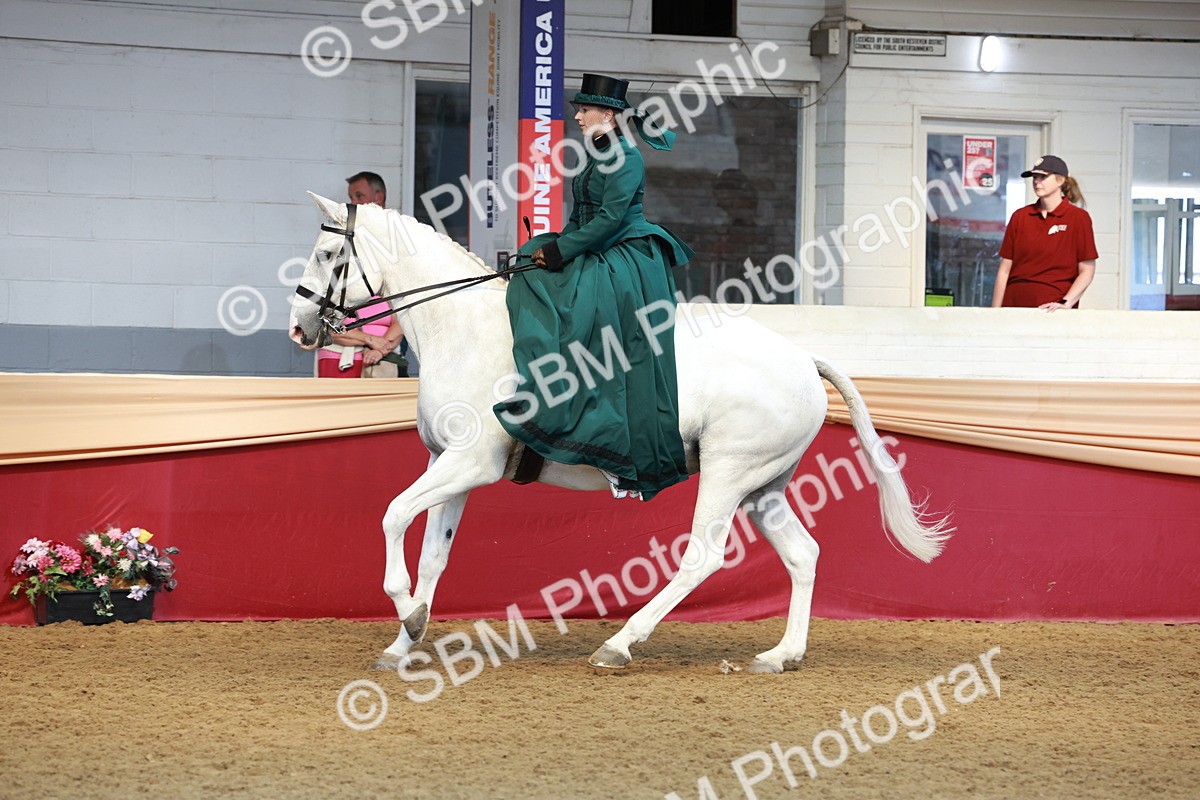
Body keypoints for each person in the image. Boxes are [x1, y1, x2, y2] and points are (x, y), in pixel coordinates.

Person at [492, 74, 693, 501]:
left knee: (586, 302)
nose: (579, 117)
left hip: (626, 254)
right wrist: (554, 246)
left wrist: (562, 251)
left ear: (609, 114)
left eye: (585, 110)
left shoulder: (626, 157)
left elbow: (609, 220)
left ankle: (600, 423)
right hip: (592, 241)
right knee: (530, 261)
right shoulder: (597, 152)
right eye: (579, 110)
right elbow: (585, 215)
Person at [315, 171, 405, 378]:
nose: (352, 203)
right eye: (350, 198)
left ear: (378, 198)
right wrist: (369, 340)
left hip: (385, 356)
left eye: (359, 196)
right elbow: (327, 321)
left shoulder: (397, 242)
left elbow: (404, 310)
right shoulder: (343, 241)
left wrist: (380, 349)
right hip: (340, 354)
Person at [992, 155, 1097, 312]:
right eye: (1034, 176)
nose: (1036, 181)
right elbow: (1005, 268)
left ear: (1060, 180)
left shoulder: (1078, 218)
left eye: (1043, 176)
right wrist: (995, 312)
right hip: (1014, 307)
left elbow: (1087, 270)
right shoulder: (1020, 216)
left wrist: (1065, 303)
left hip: (1052, 311)